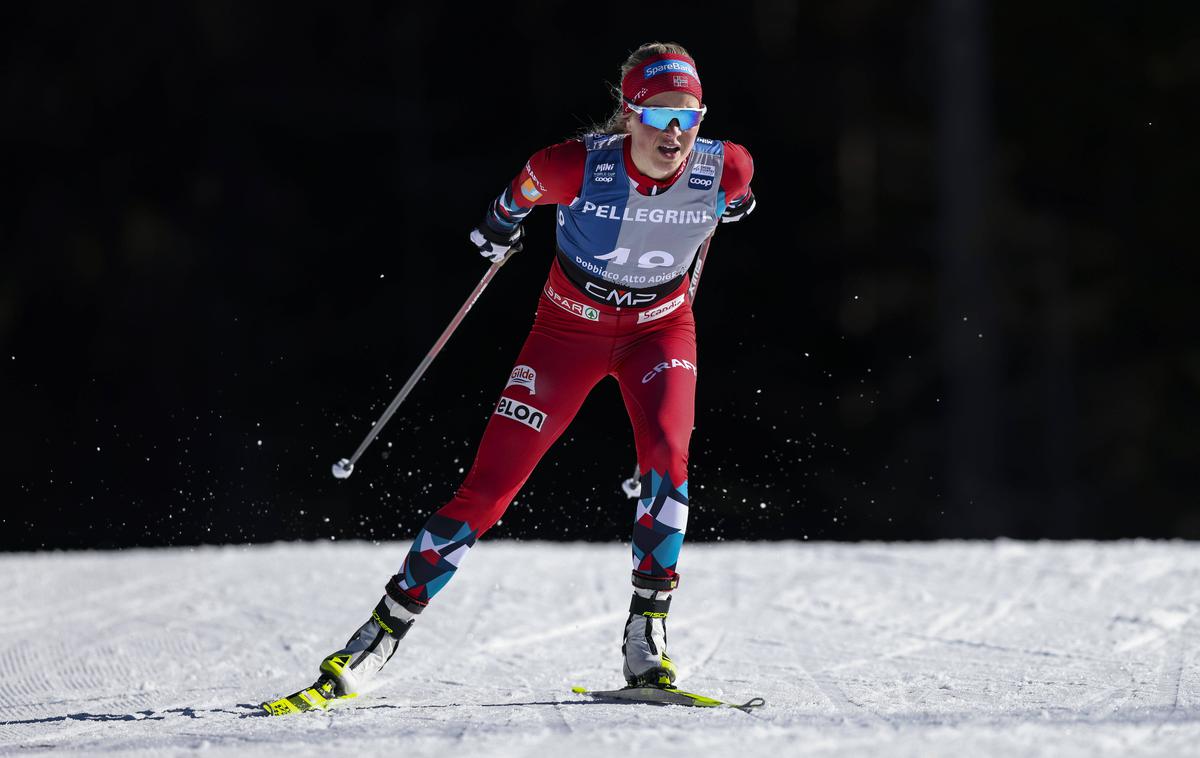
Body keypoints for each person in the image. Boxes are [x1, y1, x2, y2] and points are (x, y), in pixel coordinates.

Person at [291, 41, 755, 707]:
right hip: (567, 333)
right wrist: (499, 228)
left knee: (668, 457)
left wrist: (736, 205)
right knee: (489, 488)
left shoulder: (726, 166)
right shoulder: (572, 168)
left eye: (689, 114)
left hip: (660, 332)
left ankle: (646, 634)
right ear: (628, 115)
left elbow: (739, 192)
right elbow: (515, 198)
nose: (675, 132)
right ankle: (381, 632)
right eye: (658, 116)